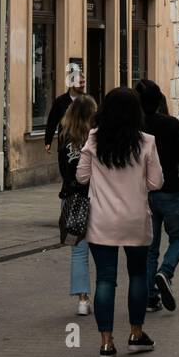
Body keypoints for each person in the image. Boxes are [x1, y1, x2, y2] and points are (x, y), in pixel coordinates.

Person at [75, 87, 163, 357]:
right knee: (137, 275)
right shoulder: (146, 142)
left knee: (104, 279)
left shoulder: (93, 139)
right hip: (135, 219)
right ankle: (136, 334)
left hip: (102, 221)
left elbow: (80, 177)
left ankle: (105, 343)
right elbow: (155, 183)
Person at [137, 79, 179, 312]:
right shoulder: (171, 124)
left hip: (144, 191)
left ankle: (150, 296)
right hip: (170, 189)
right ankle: (165, 271)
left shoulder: (135, 127)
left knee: (150, 246)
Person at [57, 93, 97, 316]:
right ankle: (103, 291)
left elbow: (63, 169)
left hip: (71, 199)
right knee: (102, 248)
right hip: (96, 197)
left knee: (78, 251)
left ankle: (82, 299)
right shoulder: (97, 136)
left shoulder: (63, 136)